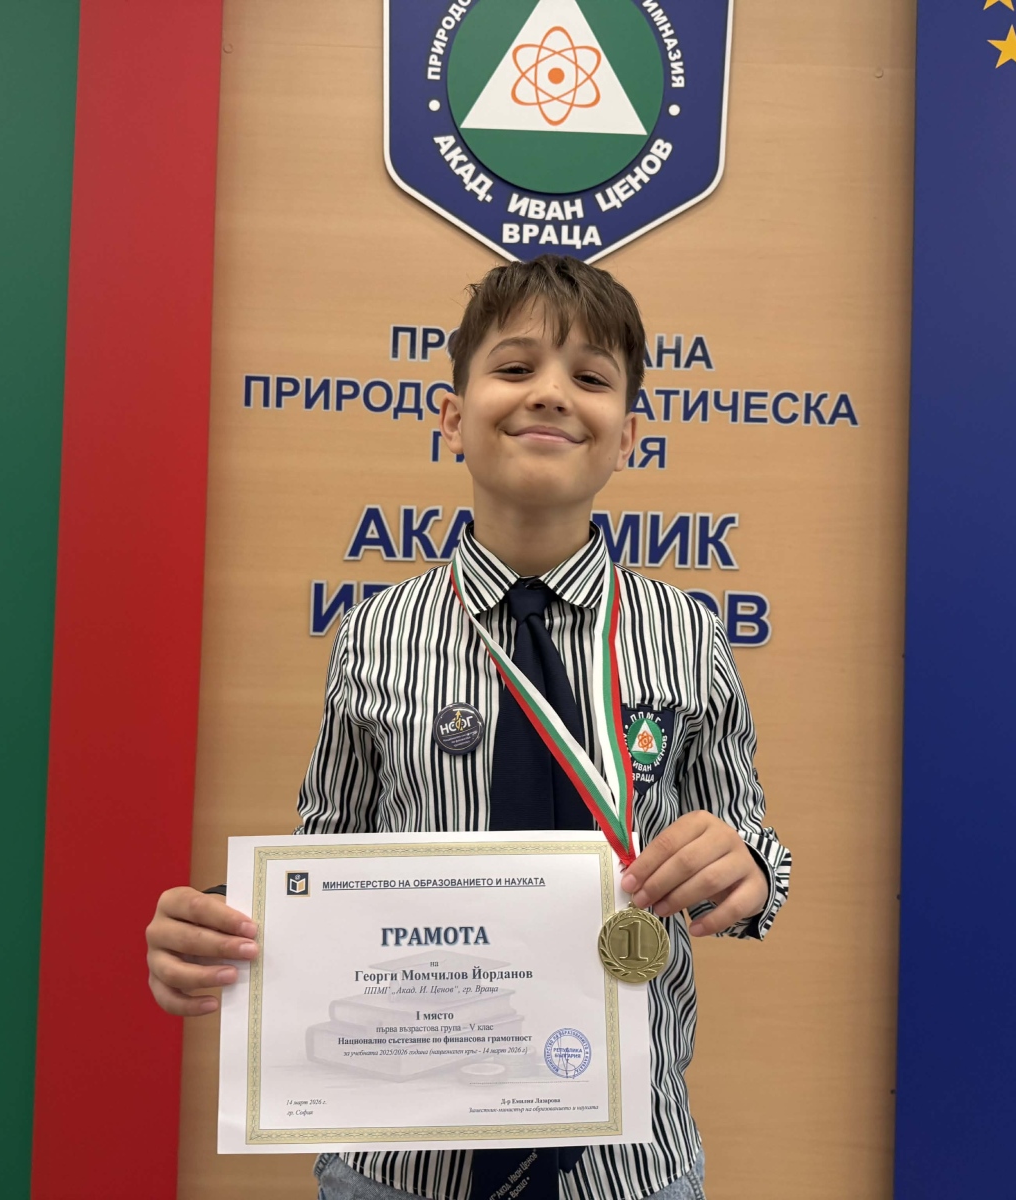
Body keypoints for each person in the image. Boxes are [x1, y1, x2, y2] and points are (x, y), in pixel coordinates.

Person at [146, 255, 791, 1200]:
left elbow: (755, 846)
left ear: (628, 437)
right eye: (516, 367)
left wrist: (747, 869)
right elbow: (329, 863)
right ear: (452, 419)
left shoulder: (688, 634)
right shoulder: (375, 633)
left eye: (591, 378)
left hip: (629, 1166)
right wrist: (216, 930)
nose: (551, 394)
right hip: (402, 1164)